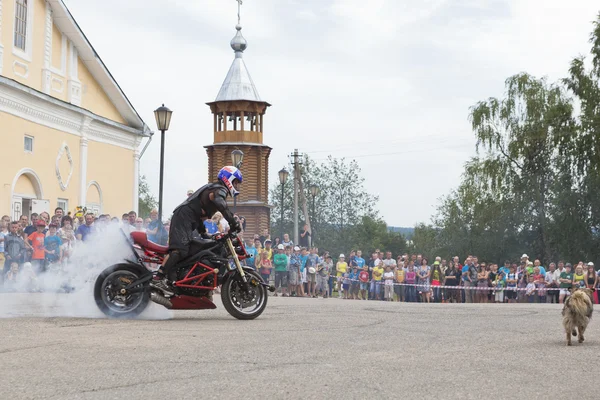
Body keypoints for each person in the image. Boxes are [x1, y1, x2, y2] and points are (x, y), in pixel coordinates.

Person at [151, 166, 243, 296]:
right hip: (183, 217)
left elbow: (199, 214)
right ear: (229, 179)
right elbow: (220, 204)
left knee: (193, 249)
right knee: (180, 249)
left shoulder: (213, 188)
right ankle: (159, 278)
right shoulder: (219, 189)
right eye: (236, 182)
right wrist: (233, 223)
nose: (237, 186)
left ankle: (180, 281)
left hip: (188, 218)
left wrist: (204, 234)